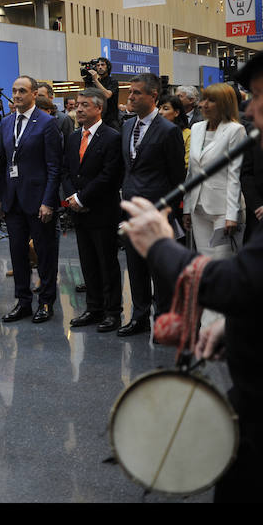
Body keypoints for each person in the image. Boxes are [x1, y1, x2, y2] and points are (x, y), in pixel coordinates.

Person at [118, 35, 263, 502]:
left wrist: (161, 247)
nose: (248, 111)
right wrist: (239, 323)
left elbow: (239, 281)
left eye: (259, 95)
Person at [117, 73, 186, 337]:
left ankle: (163, 321)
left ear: (153, 96)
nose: (131, 97)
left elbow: (177, 177)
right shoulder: (126, 127)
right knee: (135, 268)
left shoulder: (168, 131)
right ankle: (139, 317)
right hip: (131, 210)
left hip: (158, 212)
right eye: (130, 92)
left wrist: (168, 212)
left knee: (160, 271)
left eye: (136, 93)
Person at [0, 75, 62, 324]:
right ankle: (23, 301)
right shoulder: (5, 123)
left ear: (35, 94)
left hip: (38, 200)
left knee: (45, 253)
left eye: (22, 91)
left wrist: (48, 201)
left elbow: (54, 167)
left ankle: (46, 301)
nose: (17, 95)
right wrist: (2, 199)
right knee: (17, 252)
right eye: (14, 91)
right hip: (13, 199)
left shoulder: (47, 123)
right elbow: (3, 163)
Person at [182, 83, 247, 328]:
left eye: (210, 101)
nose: (203, 105)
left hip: (223, 212)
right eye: (203, 100)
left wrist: (232, 214)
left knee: (221, 266)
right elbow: (191, 171)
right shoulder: (196, 127)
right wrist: (187, 207)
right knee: (205, 267)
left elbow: (234, 174)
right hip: (198, 208)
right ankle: (209, 324)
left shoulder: (235, 130)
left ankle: (218, 326)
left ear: (224, 104)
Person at [60, 88, 124, 333]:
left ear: (99, 108)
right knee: (87, 262)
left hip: (101, 210)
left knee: (107, 264)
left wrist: (82, 197)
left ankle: (112, 312)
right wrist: (72, 198)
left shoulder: (111, 137)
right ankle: (93, 307)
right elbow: (66, 171)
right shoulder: (74, 137)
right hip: (79, 211)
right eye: (77, 105)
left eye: (85, 105)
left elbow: (110, 175)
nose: (79, 109)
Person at [84, 57, 120, 129]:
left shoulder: (113, 81)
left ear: (108, 67)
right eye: (98, 65)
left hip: (111, 121)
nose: (100, 67)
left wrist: (95, 80)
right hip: (97, 120)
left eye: (102, 65)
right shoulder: (95, 82)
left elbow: (107, 95)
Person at [157, 93, 191, 169]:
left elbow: (186, 162)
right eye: (159, 108)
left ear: (176, 113)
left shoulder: (188, 134)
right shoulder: (154, 132)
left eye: (165, 109)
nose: (160, 112)